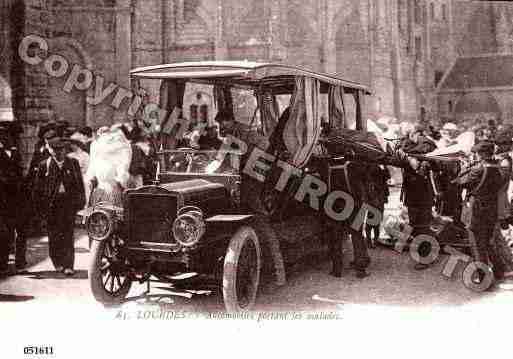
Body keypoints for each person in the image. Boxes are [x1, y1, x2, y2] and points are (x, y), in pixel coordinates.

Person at [32, 135, 85, 276]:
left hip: (68, 204)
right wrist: (39, 209)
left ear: (65, 150)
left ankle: (68, 265)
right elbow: (38, 189)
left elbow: (79, 184)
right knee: (54, 235)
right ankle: (58, 262)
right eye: (56, 150)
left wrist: (81, 202)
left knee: (68, 234)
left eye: (61, 149)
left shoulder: (72, 163)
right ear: (51, 151)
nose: (59, 153)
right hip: (52, 205)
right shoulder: (45, 165)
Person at [455, 141, 504, 286]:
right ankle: (499, 270)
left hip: (477, 209)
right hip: (491, 209)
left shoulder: (477, 169)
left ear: (481, 154)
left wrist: (465, 167)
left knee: (476, 244)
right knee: (488, 242)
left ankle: (482, 277)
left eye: (476, 153)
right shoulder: (497, 167)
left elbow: (458, 181)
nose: (474, 155)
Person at [399, 124, 438, 270]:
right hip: (416, 195)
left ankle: (425, 258)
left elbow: (421, 151)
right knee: (420, 226)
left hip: (420, 195)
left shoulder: (425, 145)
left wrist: (407, 154)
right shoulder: (416, 146)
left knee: (421, 227)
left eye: (411, 135)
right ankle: (427, 254)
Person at [0, 125, 24, 277]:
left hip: (14, 198)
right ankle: (2, 263)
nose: (5, 138)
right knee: (3, 232)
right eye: (2, 136)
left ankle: (7, 263)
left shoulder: (15, 153)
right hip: (2, 197)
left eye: (7, 135)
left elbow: (19, 170)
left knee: (10, 231)